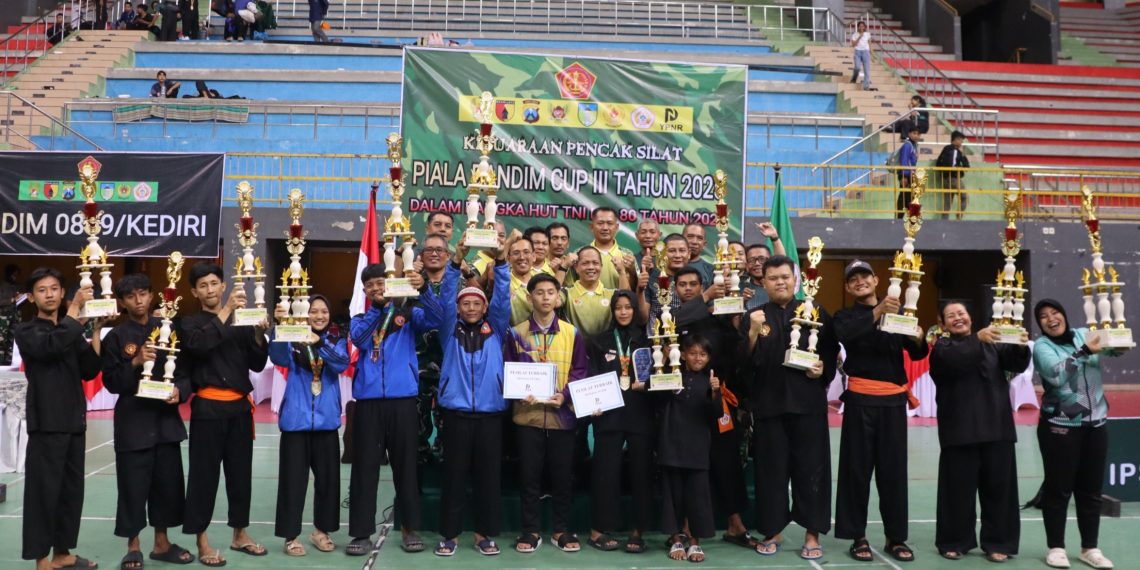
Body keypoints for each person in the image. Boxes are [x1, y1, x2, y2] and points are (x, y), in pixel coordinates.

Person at [741, 255, 838, 559]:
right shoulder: (755, 315)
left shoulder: (817, 311)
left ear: (795, 280)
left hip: (808, 405)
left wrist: (822, 369)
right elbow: (743, 364)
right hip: (769, 407)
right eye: (773, 278)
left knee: (812, 471)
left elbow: (831, 353)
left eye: (785, 276)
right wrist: (753, 331)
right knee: (771, 473)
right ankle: (772, 530)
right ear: (764, 282)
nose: (780, 282)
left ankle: (812, 534)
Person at [833, 260, 927, 563]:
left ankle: (895, 537)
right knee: (855, 471)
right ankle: (857, 536)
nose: (860, 282)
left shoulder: (899, 315)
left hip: (893, 404)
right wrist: (878, 312)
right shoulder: (845, 316)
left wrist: (917, 336)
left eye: (865, 277)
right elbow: (849, 337)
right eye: (853, 279)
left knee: (894, 473)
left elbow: (917, 352)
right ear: (848, 287)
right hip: (860, 400)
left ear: (876, 280)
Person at [423, 236, 511, 557]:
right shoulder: (450, 329)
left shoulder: (496, 330)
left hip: (490, 414)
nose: (472, 307)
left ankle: (484, 534)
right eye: (466, 303)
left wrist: (501, 264)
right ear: (459, 307)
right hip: (456, 414)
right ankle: (449, 535)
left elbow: (503, 299)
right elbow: (446, 296)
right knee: (454, 476)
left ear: (485, 307)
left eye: (477, 303)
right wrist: (454, 264)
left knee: (488, 479)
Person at [101, 274, 195, 569]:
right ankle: (133, 545)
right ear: (122, 301)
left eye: (143, 293)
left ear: (152, 295)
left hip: (165, 423)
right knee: (133, 487)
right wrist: (136, 361)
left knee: (166, 486)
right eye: (131, 296)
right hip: (133, 423)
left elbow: (185, 372)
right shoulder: (116, 337)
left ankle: (161, 543)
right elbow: (112, 382)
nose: (138, 300)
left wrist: (180, 391)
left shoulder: (168, 329)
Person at [179, 262, 269, 567]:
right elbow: (200, 346)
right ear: (194, 291)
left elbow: (257, 364)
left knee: (240, 475)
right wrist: (226, 310)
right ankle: (202, 540)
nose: (210, 290)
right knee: (204, 478)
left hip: (240, 409)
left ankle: (239, 533)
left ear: (222, 285)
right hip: (208, 408)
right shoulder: (189, 323)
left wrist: (258, 334)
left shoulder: (240, 321)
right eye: (203, 285)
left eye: (214, 283)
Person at [346, 262, 436, 555]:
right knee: (364, 470)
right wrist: (379, 310)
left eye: (381, 282)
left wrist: (422, 290)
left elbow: (438, 318)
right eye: (370, 285)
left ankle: (410, 528)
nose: (376, 287)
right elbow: (359, 340)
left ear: (391, 282)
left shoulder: (409, 316)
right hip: (369, 405)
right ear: (365, 290)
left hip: (403, 402)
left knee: (406, 468)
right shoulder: (360, 319)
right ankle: (361, 533)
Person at [16, 268, 102, 570]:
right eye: (42, 290)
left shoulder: (71, 331)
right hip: (46, 424)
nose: (50, 294)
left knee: (70, 493)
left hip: (74, 423)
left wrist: (93, 331)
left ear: (61, 292)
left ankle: (63, 553)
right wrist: (77, 311)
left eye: (54, 288)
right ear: (31, 296)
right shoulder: (27, 332)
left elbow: (90, 369)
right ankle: (41, 559)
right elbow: (50, 347)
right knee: (43, 493)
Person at [929, 301, 1028, 562]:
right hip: (959, 431)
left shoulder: (993, 343)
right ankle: (954, 540)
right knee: (956, 492)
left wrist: (1018, 342)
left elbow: (1017, 364)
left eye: (961, 313)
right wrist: (978, 338)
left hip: (997, 428)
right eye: (951, 316)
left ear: (971, 317)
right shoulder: (942, 348)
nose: (958, 318)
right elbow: (956, 361)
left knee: (1000, 491)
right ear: (943, 325)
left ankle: (999, 542)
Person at [670, 267, 754, 551]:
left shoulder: (716, 316)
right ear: (675, 289)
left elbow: (738, 350)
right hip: (683, 404)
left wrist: (735, 316)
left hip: (719, 397)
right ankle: (683, 527)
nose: (689, 289)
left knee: (726, 458)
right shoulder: (672, 317)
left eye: (695, 284)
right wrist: (706, 297)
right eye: (683, 285)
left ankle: (735, 523)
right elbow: (674, 323)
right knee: (684, 466)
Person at [1033, 299, 1118, 570]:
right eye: (1044, 317)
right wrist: (1082, 351)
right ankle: (1056, 547)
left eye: (1055, 312)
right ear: (1040, 324)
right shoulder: (1043, 347)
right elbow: (1056, 375)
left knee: (1091, 492)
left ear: (1064, 314)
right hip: (1060, 426)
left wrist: (1118, 340)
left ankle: (1089, 548)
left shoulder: (1084, 332)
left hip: (1095, 425)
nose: (1051, 319)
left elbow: (1112, 350)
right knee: (1058, 490)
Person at [507, 272, 589, 554]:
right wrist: (520, 392)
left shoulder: (571, 332)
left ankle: (561, 530)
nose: (544, 297)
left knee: (562, 476)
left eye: (550, 292)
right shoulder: (515, 333)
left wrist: (563, 395)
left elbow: (580, 370)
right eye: (538, 293)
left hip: (562, 416)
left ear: (558, 297)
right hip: (526, 416)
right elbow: (508, 371)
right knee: (529, 476)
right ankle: (529, 531)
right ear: (529, 298)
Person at [269, 295, 349, 556]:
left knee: (328, 482)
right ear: (305, 314)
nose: (319, 316)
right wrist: (280, 326)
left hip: (326, 423)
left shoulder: (336, 341)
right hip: (296, 422)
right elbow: (278, 357)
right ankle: (290, 536)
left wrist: (320, 344)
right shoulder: (292, 341)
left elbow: (340, 364)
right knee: (293, 482)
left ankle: (321, 531)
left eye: (324, 311)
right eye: (314, 311)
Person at [586, 290, 654, 554]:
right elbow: (591, 376)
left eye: (628, 307)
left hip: (641, 415)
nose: (624, 312)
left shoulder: (648, 340)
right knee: (605, 473)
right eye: (618, 308)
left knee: (641, 473)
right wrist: (593, 403)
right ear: (612, 311)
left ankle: (638, 531)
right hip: (609, 416)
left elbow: (660, 376)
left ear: (636, 310)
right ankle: (599, 529)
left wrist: (645, 386)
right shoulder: (599, 341)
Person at [659, 334, 723, 563]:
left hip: (697, 449)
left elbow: (717, 414)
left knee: (697, 497)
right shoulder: (671, 377)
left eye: (703, 354)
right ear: (683, 354)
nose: (697, 358)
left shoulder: (710, 382)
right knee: (672, 495)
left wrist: (716, 393)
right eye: (693, 353)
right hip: (671, 444)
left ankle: (695, 542)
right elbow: (653, 394)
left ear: (709, 358)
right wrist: (664, 365)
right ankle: (676, 539)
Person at [414, 234, 450, 464]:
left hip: (451, 362)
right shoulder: (410, 281)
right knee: (417, 420)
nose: (434, 254)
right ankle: (418, 468)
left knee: (448, 420)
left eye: (439, 250)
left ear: (448, 256)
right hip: (418, 362)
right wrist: (409, 275)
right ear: (421, 256)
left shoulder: (458, 283)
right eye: (429, 250)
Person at [560, 246, 627, 338]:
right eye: (585, 263)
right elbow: (552, 299)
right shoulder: (566, 293)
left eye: (595, 263)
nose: (591, 267)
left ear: (601, 266)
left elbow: (627, 300)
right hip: (575, 349)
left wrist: (622, 272)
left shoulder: (611, 294)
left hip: (604, 350)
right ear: (576, 267)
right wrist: (563, 267)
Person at [567, 208, 635, 290]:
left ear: (616, 227)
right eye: (600, 223)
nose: (605, 228)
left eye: (610, 223)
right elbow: (570, 288)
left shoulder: (627, 255)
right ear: (591, 227)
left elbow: (635, 290)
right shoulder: (579, 254)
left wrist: (632, 271)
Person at [742, 222, 786, 310]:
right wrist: (742, 301)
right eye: (752, 260)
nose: (757, 263)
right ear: (746, 265)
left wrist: (775, 237)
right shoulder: (739, 287)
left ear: (770, 261)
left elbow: (782, 263)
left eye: (762, 259)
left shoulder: (779, 286)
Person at [936, 131, 971, 220]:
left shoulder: (946, 149)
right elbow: (953, 165)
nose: (961, 143)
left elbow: (938, 162)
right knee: (965, 197)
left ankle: (944, 220)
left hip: (945, 178)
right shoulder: (955, 151)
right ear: (956, 140)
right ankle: (959, 218)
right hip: (953, 178)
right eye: (961, 140)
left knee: (948, 201)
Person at [506, 235, 537, 326]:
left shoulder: (543, 281)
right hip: (511, 338)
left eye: (526, 252)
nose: (522, 257)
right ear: (508, 258)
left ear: (534, 256)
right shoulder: (503, 282)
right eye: (516, 253)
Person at [896, 125, 920, 219]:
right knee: (905, 196)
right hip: (906, 175)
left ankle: (910, 217)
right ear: (909, 134)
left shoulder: (914, 146)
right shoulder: (907, 145)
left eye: (918, 134)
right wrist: (904, 177)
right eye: (914, 133)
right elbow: (904, 161)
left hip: (910, 175)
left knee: (909, 197)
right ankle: (900, 217)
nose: (916, 136)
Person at [850, 21, 872, 91]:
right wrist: (859, 37)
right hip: (858, 52)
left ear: (864, 27)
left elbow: (870, 44)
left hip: (866, 52)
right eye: (860, 26)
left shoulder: (867, 34)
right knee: (857, 67)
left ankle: (866, 86)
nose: (861, 27)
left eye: (863, 26)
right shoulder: (854, 35)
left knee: (867, 71)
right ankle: (854, 78)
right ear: (858, 27)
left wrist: (871, 53)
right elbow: (853, 45)